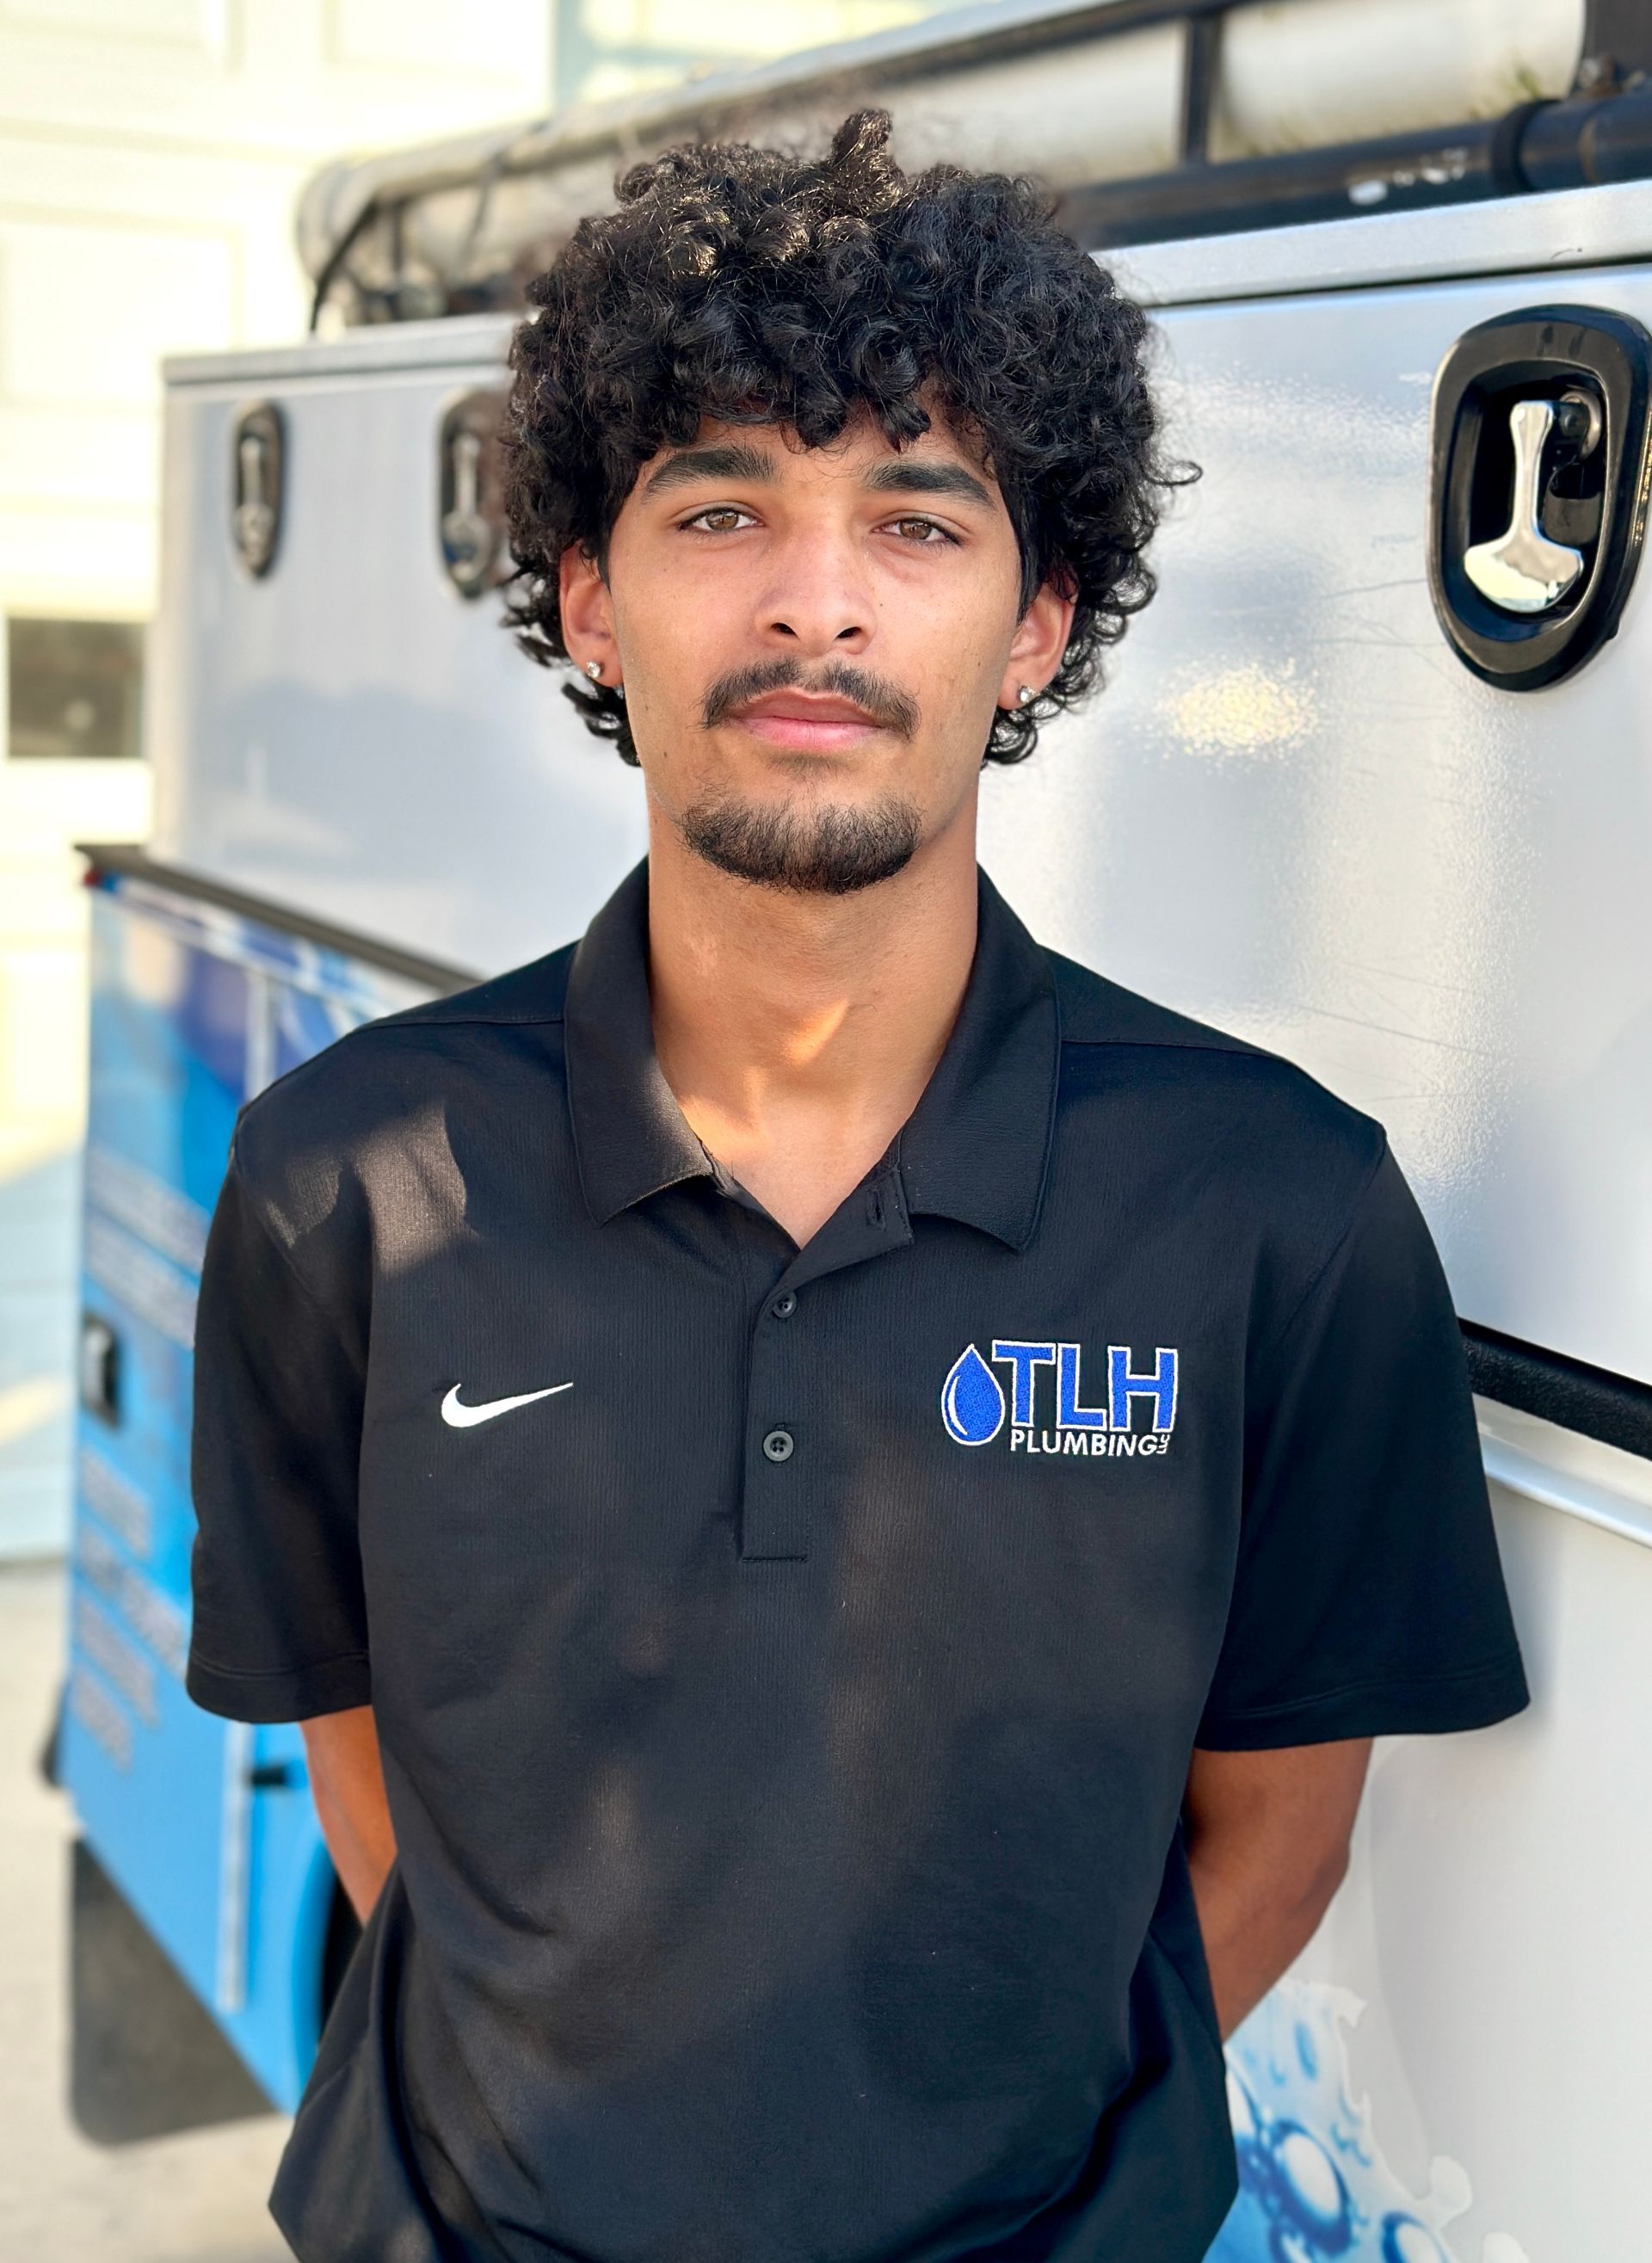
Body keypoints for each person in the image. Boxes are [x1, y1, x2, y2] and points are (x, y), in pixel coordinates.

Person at [185, 108, 1529, 2263]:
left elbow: (1278, 1842)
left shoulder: (1279, 1207)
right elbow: (367, 1763)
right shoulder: (343, 1181)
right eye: (726, 509)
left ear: (1035, 624)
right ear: (593, 604)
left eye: (915, 522)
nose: (817, 601)